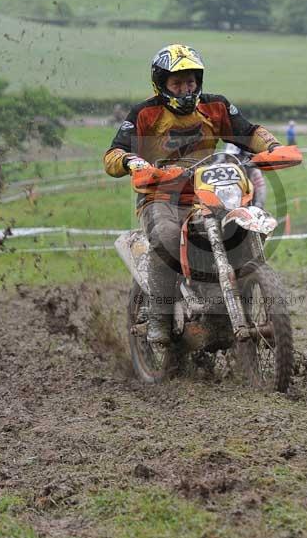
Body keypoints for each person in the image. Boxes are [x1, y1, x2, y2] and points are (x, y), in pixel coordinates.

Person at [103, 43, 283, 346]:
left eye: (191, 81)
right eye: (177, 82)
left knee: (237, 231)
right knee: (168, 237)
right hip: (161, 197)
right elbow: (113, 154)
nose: (186, 88)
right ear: (162, 84)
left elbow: (249, 131)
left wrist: (274, 147)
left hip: (209, 193)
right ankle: (159, 316)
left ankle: (232, 302)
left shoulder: (216, 107)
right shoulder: (145, 113)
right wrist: (133, 162)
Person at [224, 143, 267, 208]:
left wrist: (258, 206)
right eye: (228, 156)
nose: (231, 159)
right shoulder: (222, 168)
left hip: (249, 206)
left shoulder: (253, 171)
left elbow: (260, 188)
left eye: (235, 156)